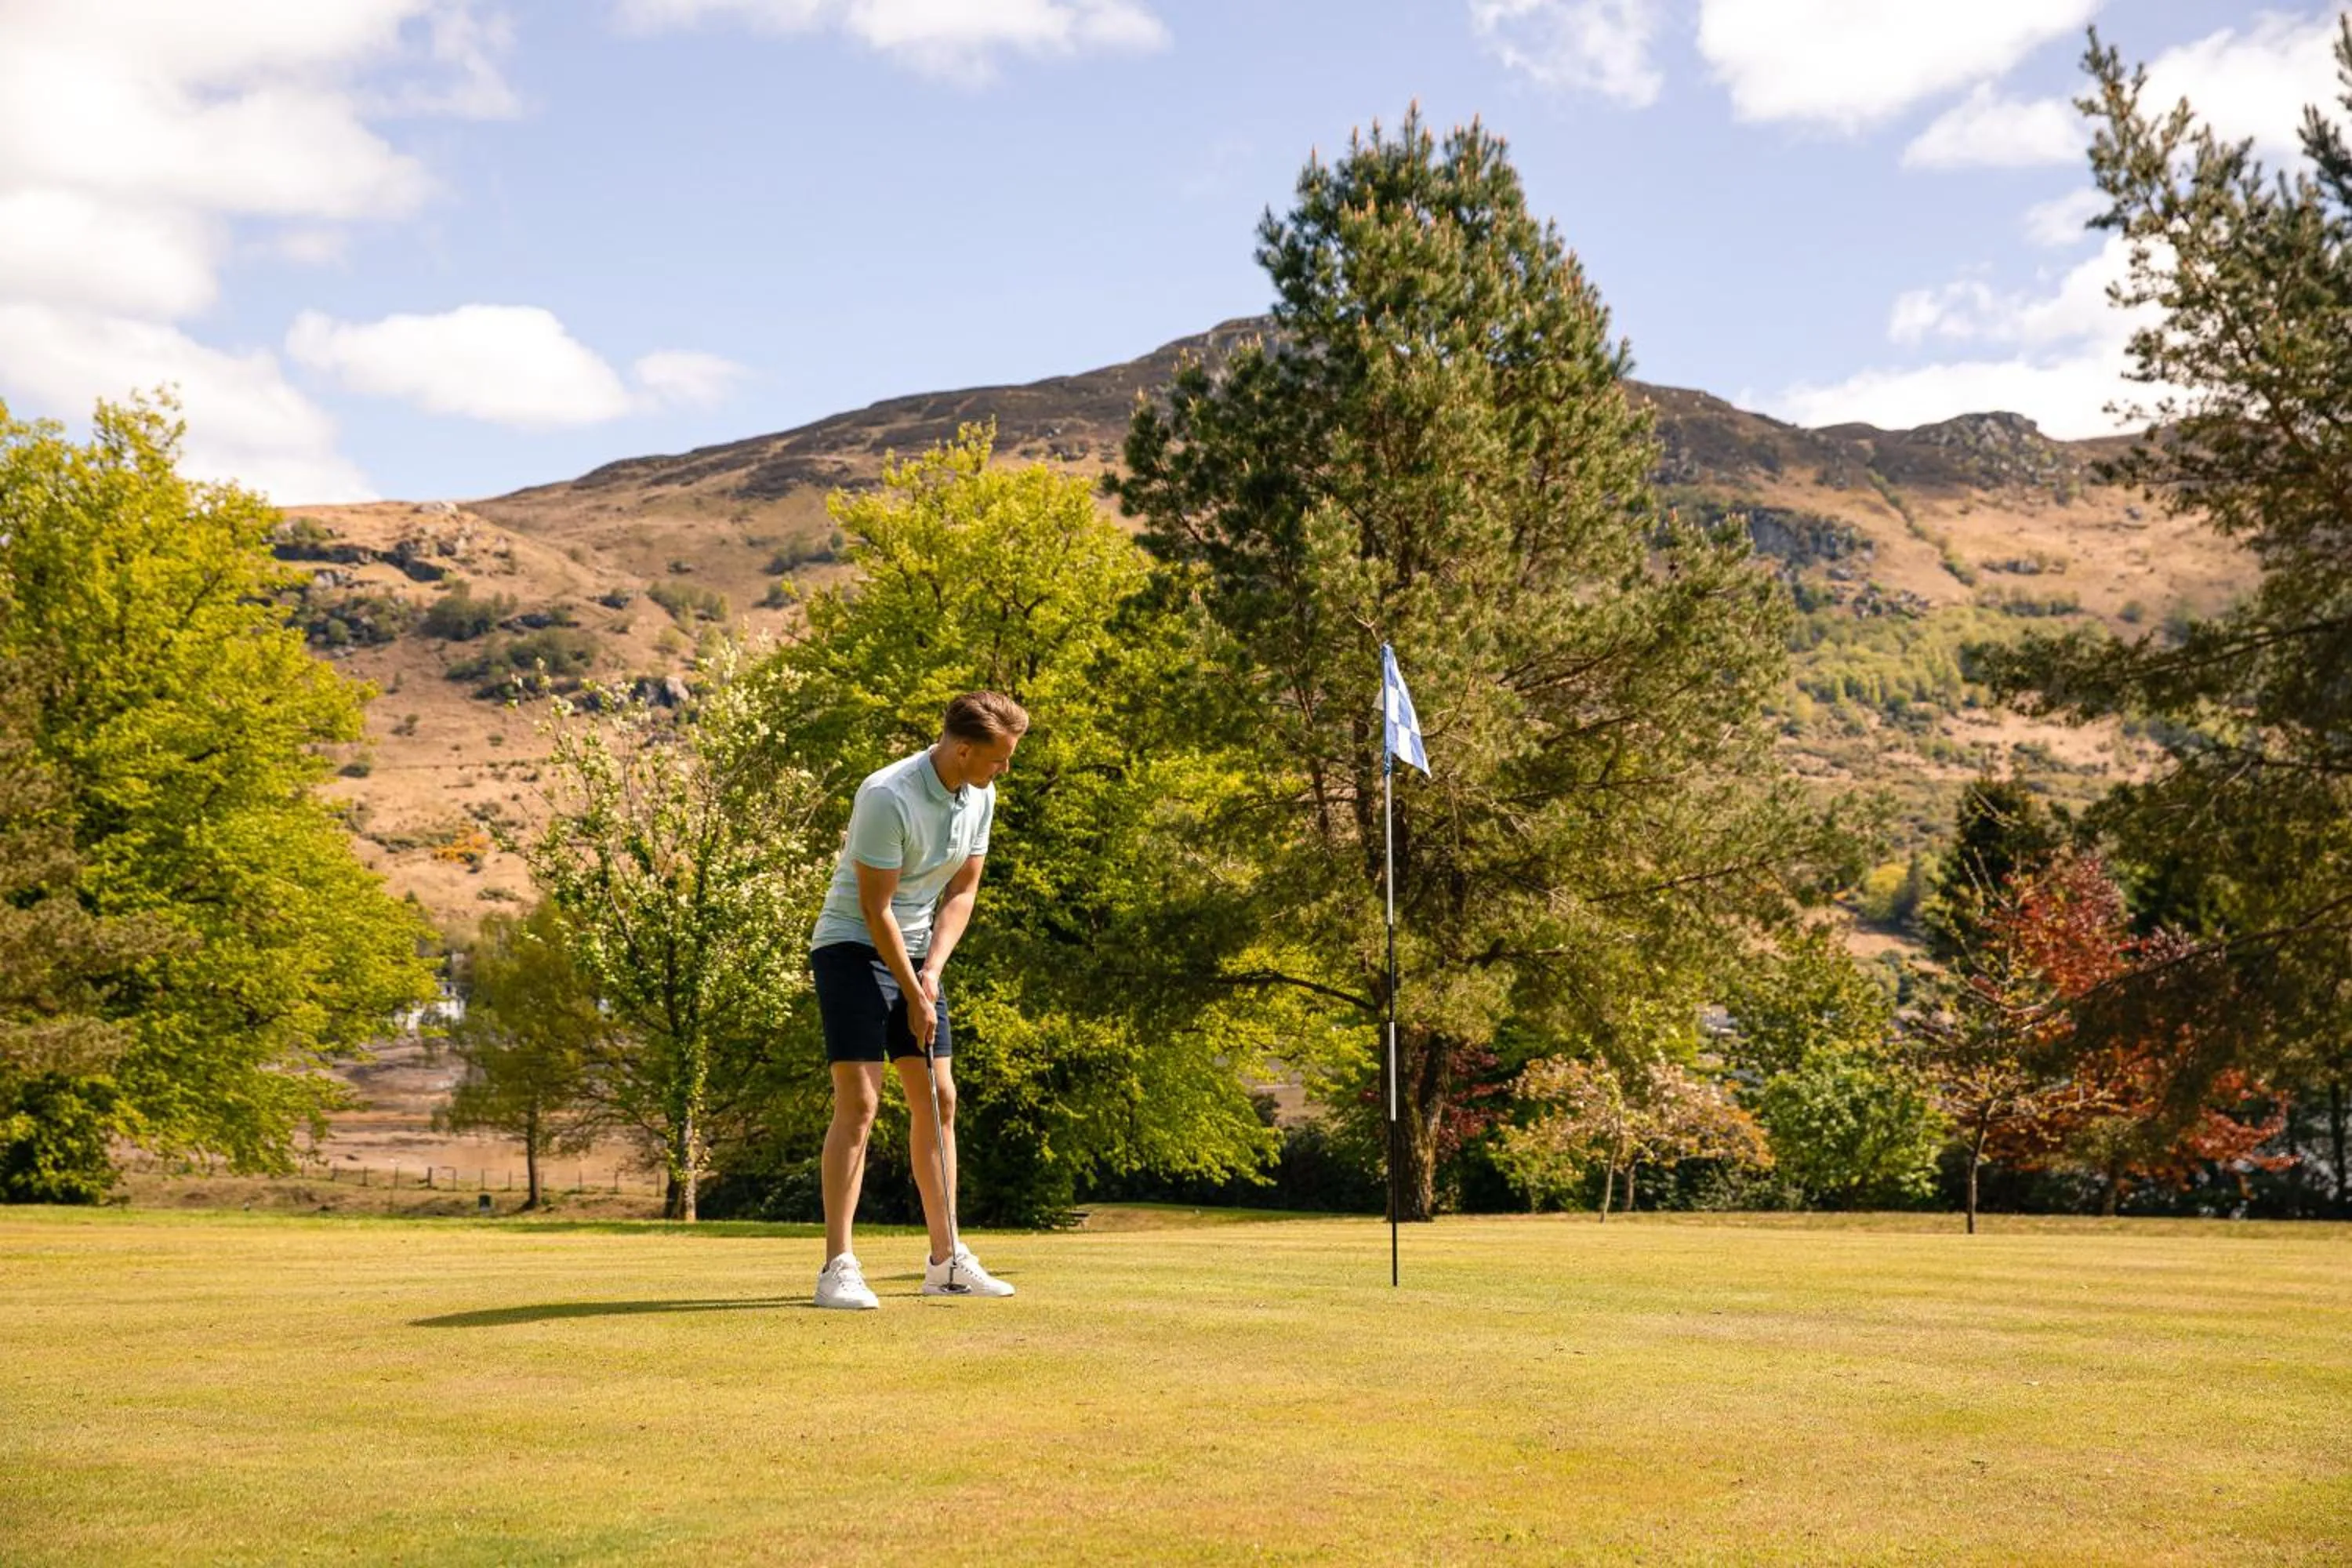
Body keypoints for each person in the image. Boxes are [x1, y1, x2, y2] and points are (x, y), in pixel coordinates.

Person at [807, 691, 1028, 1309]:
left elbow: (963, 889)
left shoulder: (980, 795)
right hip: (852, 947)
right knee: (861, 1100)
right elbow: (875, 909)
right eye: (1000, 758)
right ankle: (838, 1267)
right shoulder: (887, 796)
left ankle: (946, 1260)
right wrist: (911, 990)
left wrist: (931, 971)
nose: (1004, 769)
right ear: (963, 749)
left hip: (917, 953)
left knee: (940, 1096)